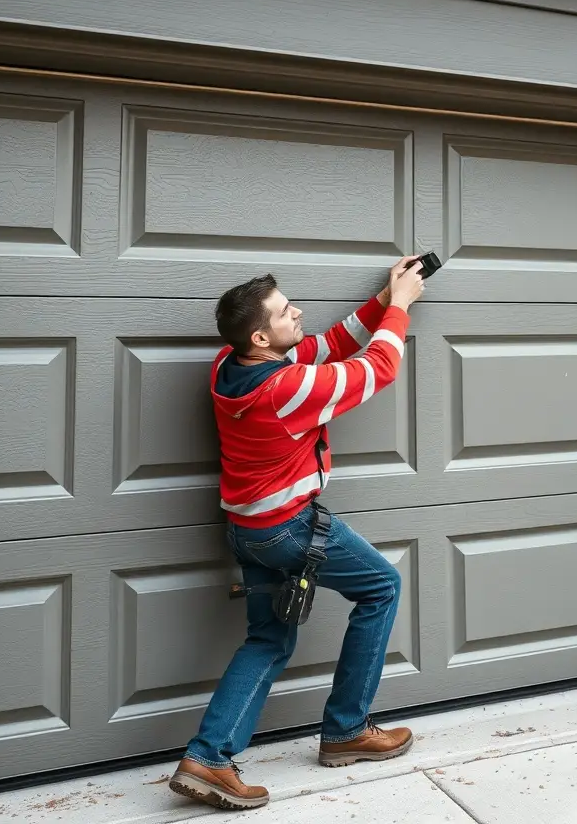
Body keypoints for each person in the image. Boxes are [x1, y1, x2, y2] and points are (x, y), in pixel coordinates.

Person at [168, 256, 426, 811]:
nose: (299, 313)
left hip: (247, 528)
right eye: (287, 311)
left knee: (267, 640)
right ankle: (347, 730)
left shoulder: (229, 366)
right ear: (261, 337)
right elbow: (377, 367)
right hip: (288, 530)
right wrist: (403, 307)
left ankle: (208, 757)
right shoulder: (285, 389)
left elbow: (327, 346)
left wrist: (384, 298)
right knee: (382, 588)